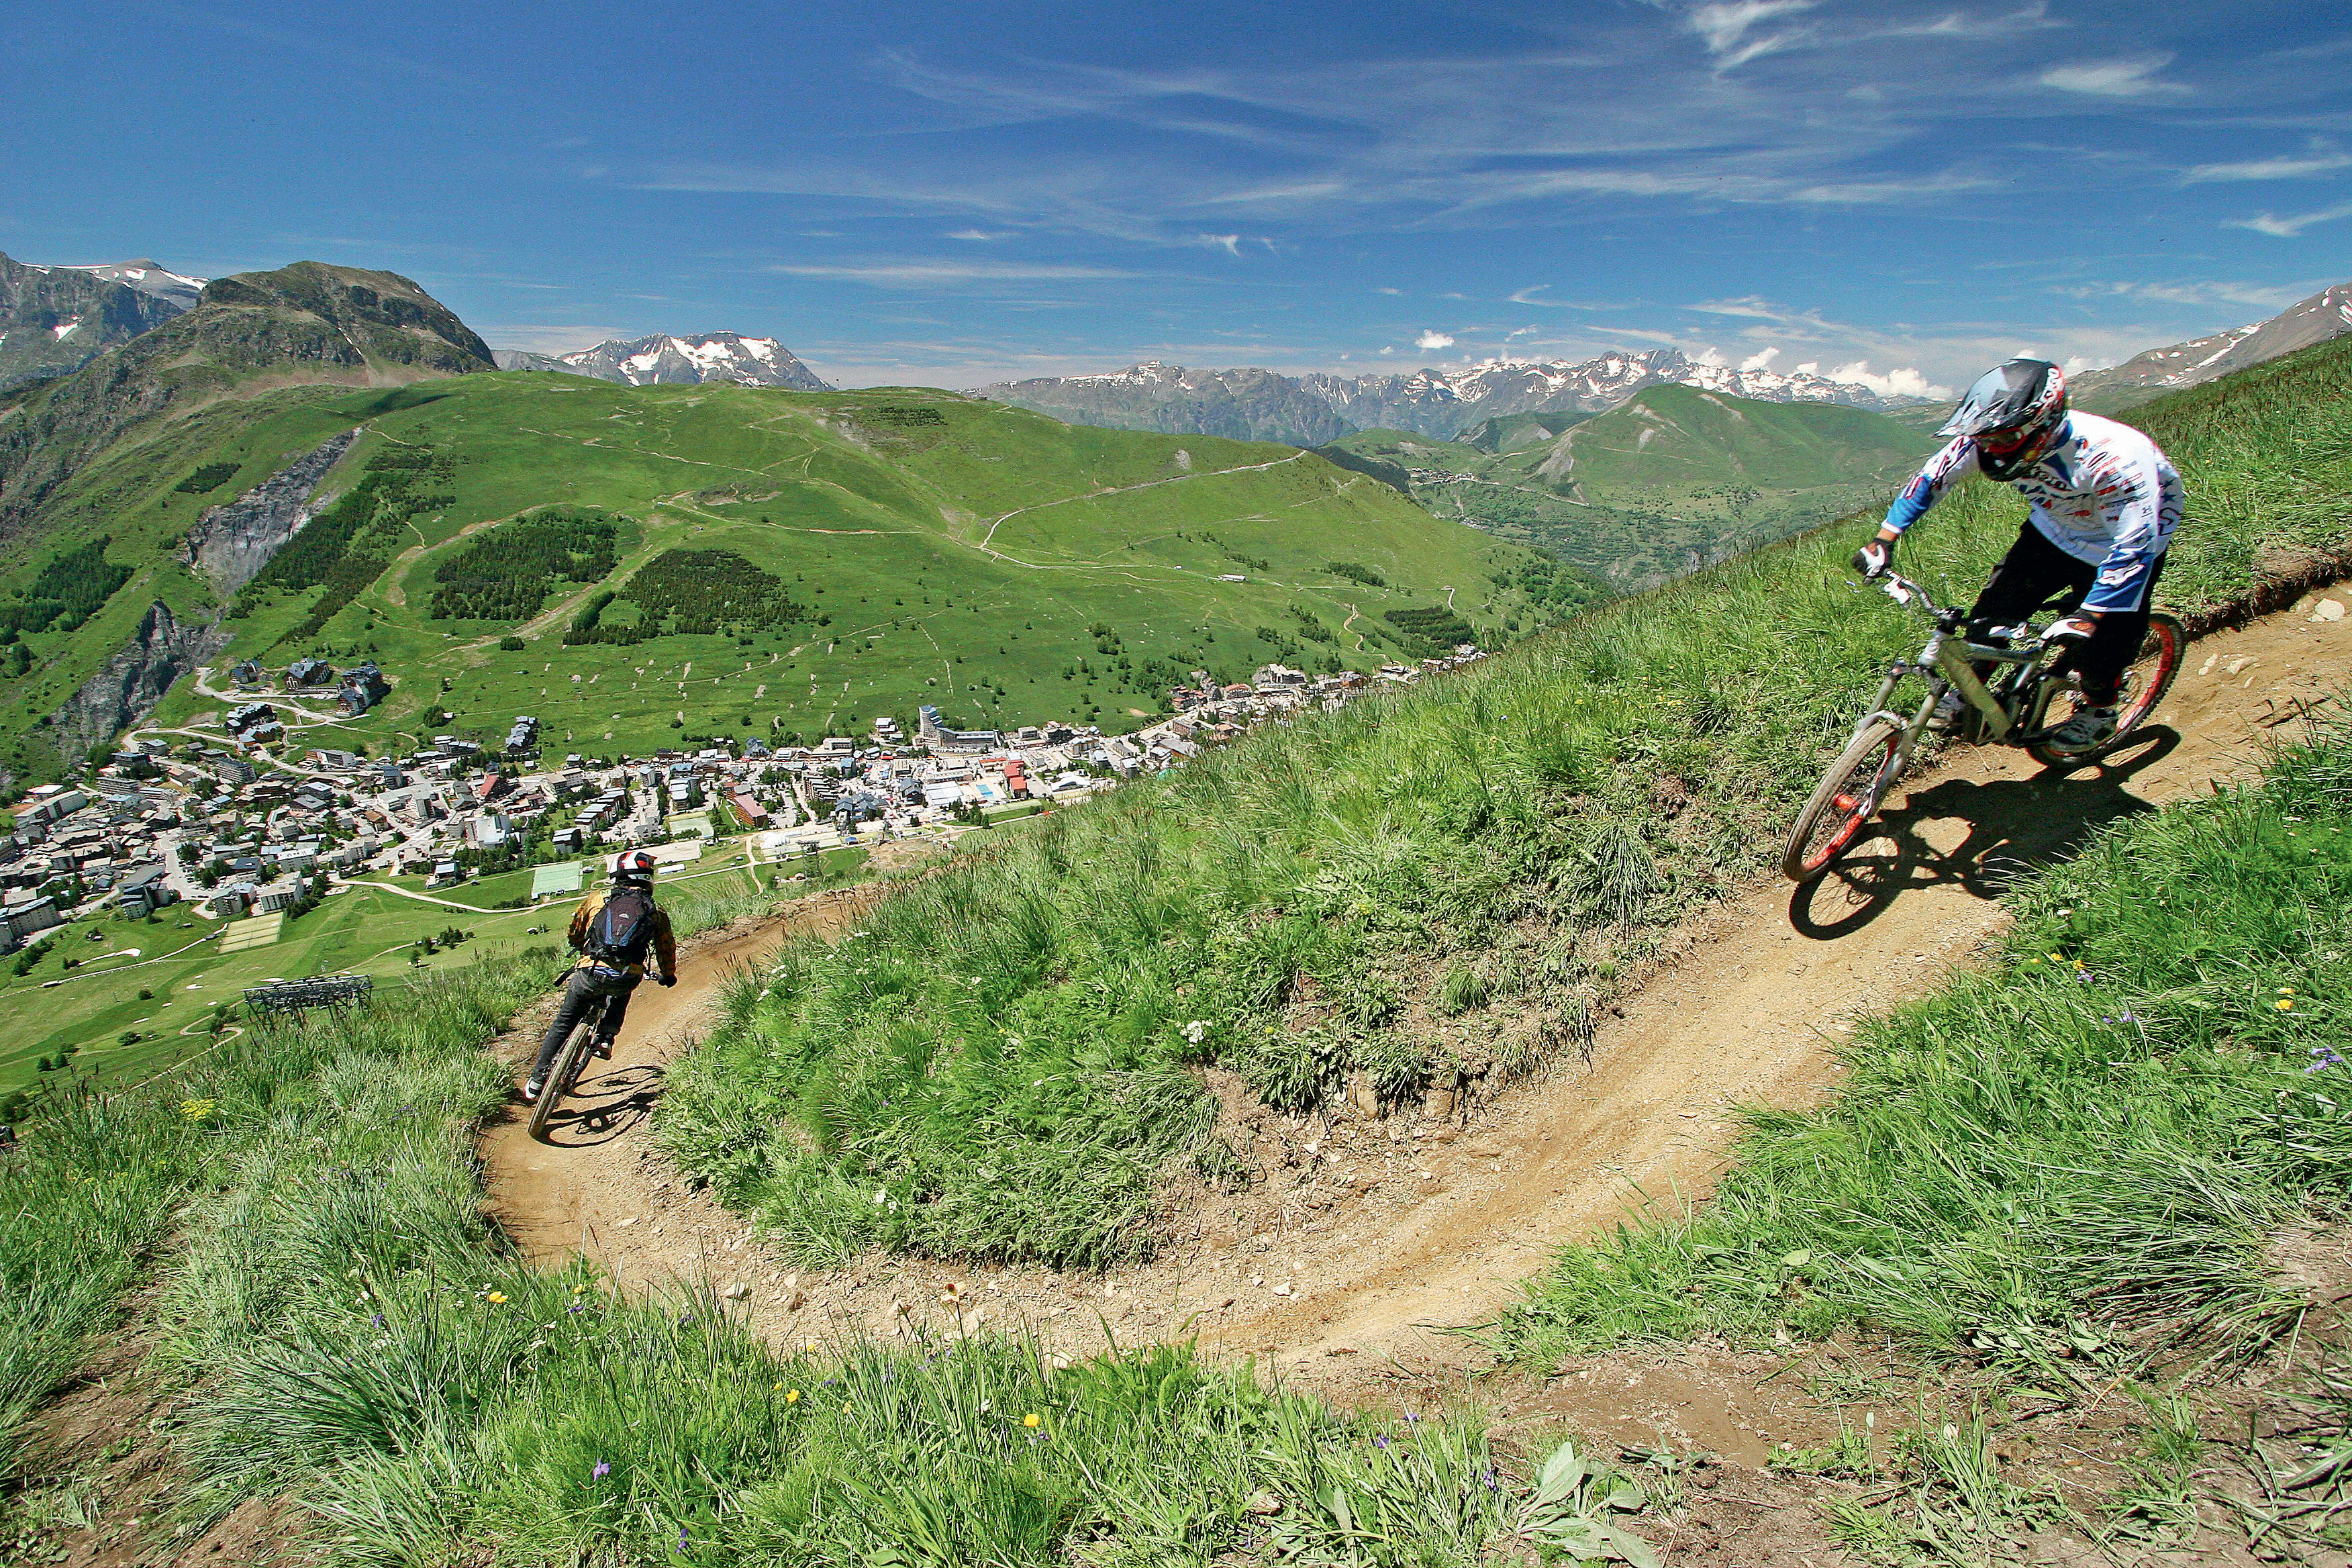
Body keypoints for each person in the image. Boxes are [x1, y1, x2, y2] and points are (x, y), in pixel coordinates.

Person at [1853, 358, 2182, 755]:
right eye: (1985, 440)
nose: (1990, 450)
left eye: (2002, 441)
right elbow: (1931, 478)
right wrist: (1885, 539)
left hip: (2118, 546)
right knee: (1990, 615)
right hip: (2052, 533)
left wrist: (2092, 615)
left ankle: (2100, 710)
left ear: (2043, 425)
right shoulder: (1993, 435)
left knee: (2101, 648)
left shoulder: (2115, 457)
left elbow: (2134, 546)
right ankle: (1972, 697)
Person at [523, 849, 677, 1103]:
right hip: (627, 975)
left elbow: (576, 927)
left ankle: (537, 1081)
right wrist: (668, 975)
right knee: (623, 987)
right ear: (648, 879)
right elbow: (666, 946)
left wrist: (577, 944)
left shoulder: (599, 899)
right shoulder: (656, 911)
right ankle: (606, 1037)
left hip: (591, 970)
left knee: (564, 1023)